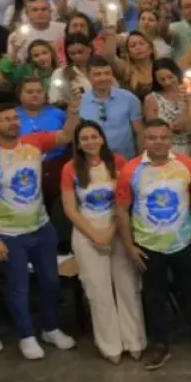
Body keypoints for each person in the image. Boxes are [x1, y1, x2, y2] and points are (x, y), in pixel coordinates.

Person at [0, 101, 77, 360]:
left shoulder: (33, 142)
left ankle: (50, 328)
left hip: (41, 227)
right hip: (8, 233)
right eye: (5, 119)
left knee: (51, 282)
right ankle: (26, 336)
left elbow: (64, 136)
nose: (12, 123)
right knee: (19, 288)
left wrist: (73, 114)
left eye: (14, 118)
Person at [116, 119, 191, 366]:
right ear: (144, 141)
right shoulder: (129, 170)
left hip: (183, 241)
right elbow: (121, 210)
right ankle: (159, 344)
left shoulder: (188, 165)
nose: (159, 142)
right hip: (148, 245)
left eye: (164, 137)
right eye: (152, 138)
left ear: (171, 139)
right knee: (154, 297)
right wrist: (129, 246)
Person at [59, 121, 145, 364]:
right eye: (84, 138)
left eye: (93, 137)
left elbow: (125, 201)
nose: (89, 142)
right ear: (78, 143)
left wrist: (111, 231)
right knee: (98, 291)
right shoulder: (70, 168)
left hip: (118, 228)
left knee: (127, 286)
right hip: (87, 231)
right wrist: (95, 235)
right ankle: (110, 345)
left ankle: (134, 340)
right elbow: (69, 207)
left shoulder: (117, 163)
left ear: (102, 139)